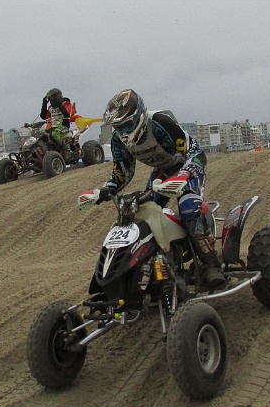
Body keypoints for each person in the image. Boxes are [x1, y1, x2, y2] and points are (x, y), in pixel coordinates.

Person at [80, 88, 226, 289]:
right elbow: (122, 173)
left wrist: (185, 174)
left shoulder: (159, 122)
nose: (123, 131)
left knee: (189, 208)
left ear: (138, 116)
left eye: (126, 125)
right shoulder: (118, 141)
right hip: (162, 172)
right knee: (141, 214)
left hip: (187, 168)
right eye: (118, 127)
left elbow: (195, 153)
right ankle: (159, 268)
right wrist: (104, 191)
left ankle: (211, 265)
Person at [39, 88, 79, 155]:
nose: (51, 101)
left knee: (55, 134)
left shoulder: (66, 104)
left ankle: (66, 149)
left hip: (63, 127)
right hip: (53, 127)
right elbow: (43, 116)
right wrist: (44, 104)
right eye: (50, 100)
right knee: (41, 134)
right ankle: (48, 151)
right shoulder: (50, 108)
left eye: (52, 99)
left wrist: (60, 105)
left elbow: (67, 114)